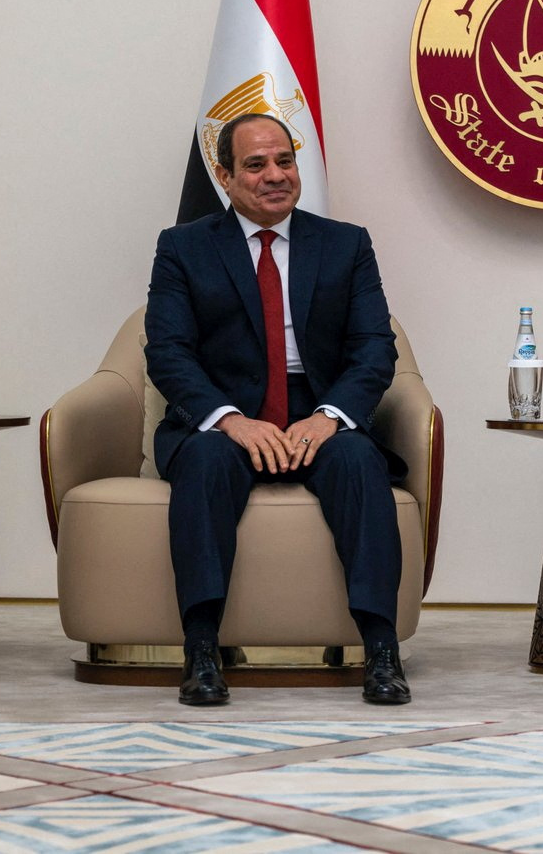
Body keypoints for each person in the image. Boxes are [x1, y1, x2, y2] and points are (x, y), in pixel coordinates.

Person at [145, 112, 410, 707]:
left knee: (357, 464)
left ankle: (382, 651)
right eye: (256, 164)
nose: (274, 176)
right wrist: (231, 420)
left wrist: (329, 416)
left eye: (284, 161)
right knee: (207, 463)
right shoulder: (183, 247)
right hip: (227, 413)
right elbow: (167, 352)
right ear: (224, 175)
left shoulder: (346, 244)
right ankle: (203, 650)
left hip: (314, 405)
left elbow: (374, 347)